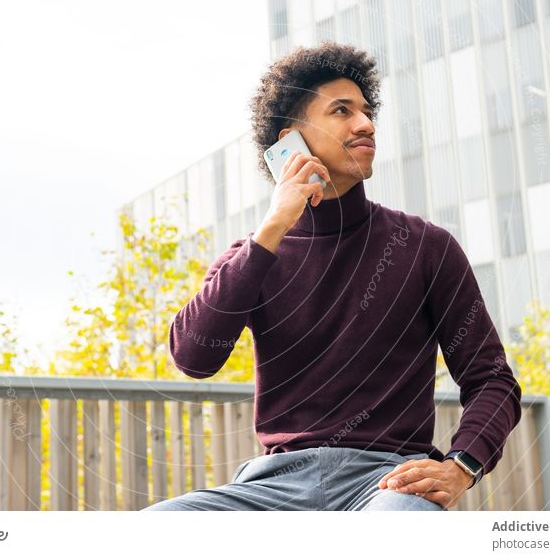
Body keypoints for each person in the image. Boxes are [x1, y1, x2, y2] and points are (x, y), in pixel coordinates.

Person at [142, 41, 522, 511]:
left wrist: (461, 464)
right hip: (272, 488)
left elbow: (491, 379)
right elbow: (194, 358)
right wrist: (274, 226)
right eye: (342, 111)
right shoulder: (255, 253)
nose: (366, 124)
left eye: (366, 111)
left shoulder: (426, 246)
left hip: (388, 483)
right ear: (289, 143)